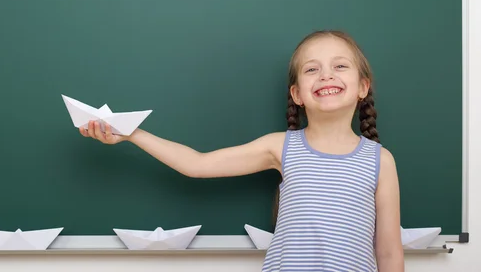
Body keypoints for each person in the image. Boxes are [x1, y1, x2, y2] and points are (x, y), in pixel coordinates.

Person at [79, 30, 404, 271]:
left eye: (340, 66)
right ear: (297, 94)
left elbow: (389, 254)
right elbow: (197, 164)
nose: (326, 75)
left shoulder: (380, 161)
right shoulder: (281, 147)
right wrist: (132, 134)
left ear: (363, 86)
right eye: (311, 69)